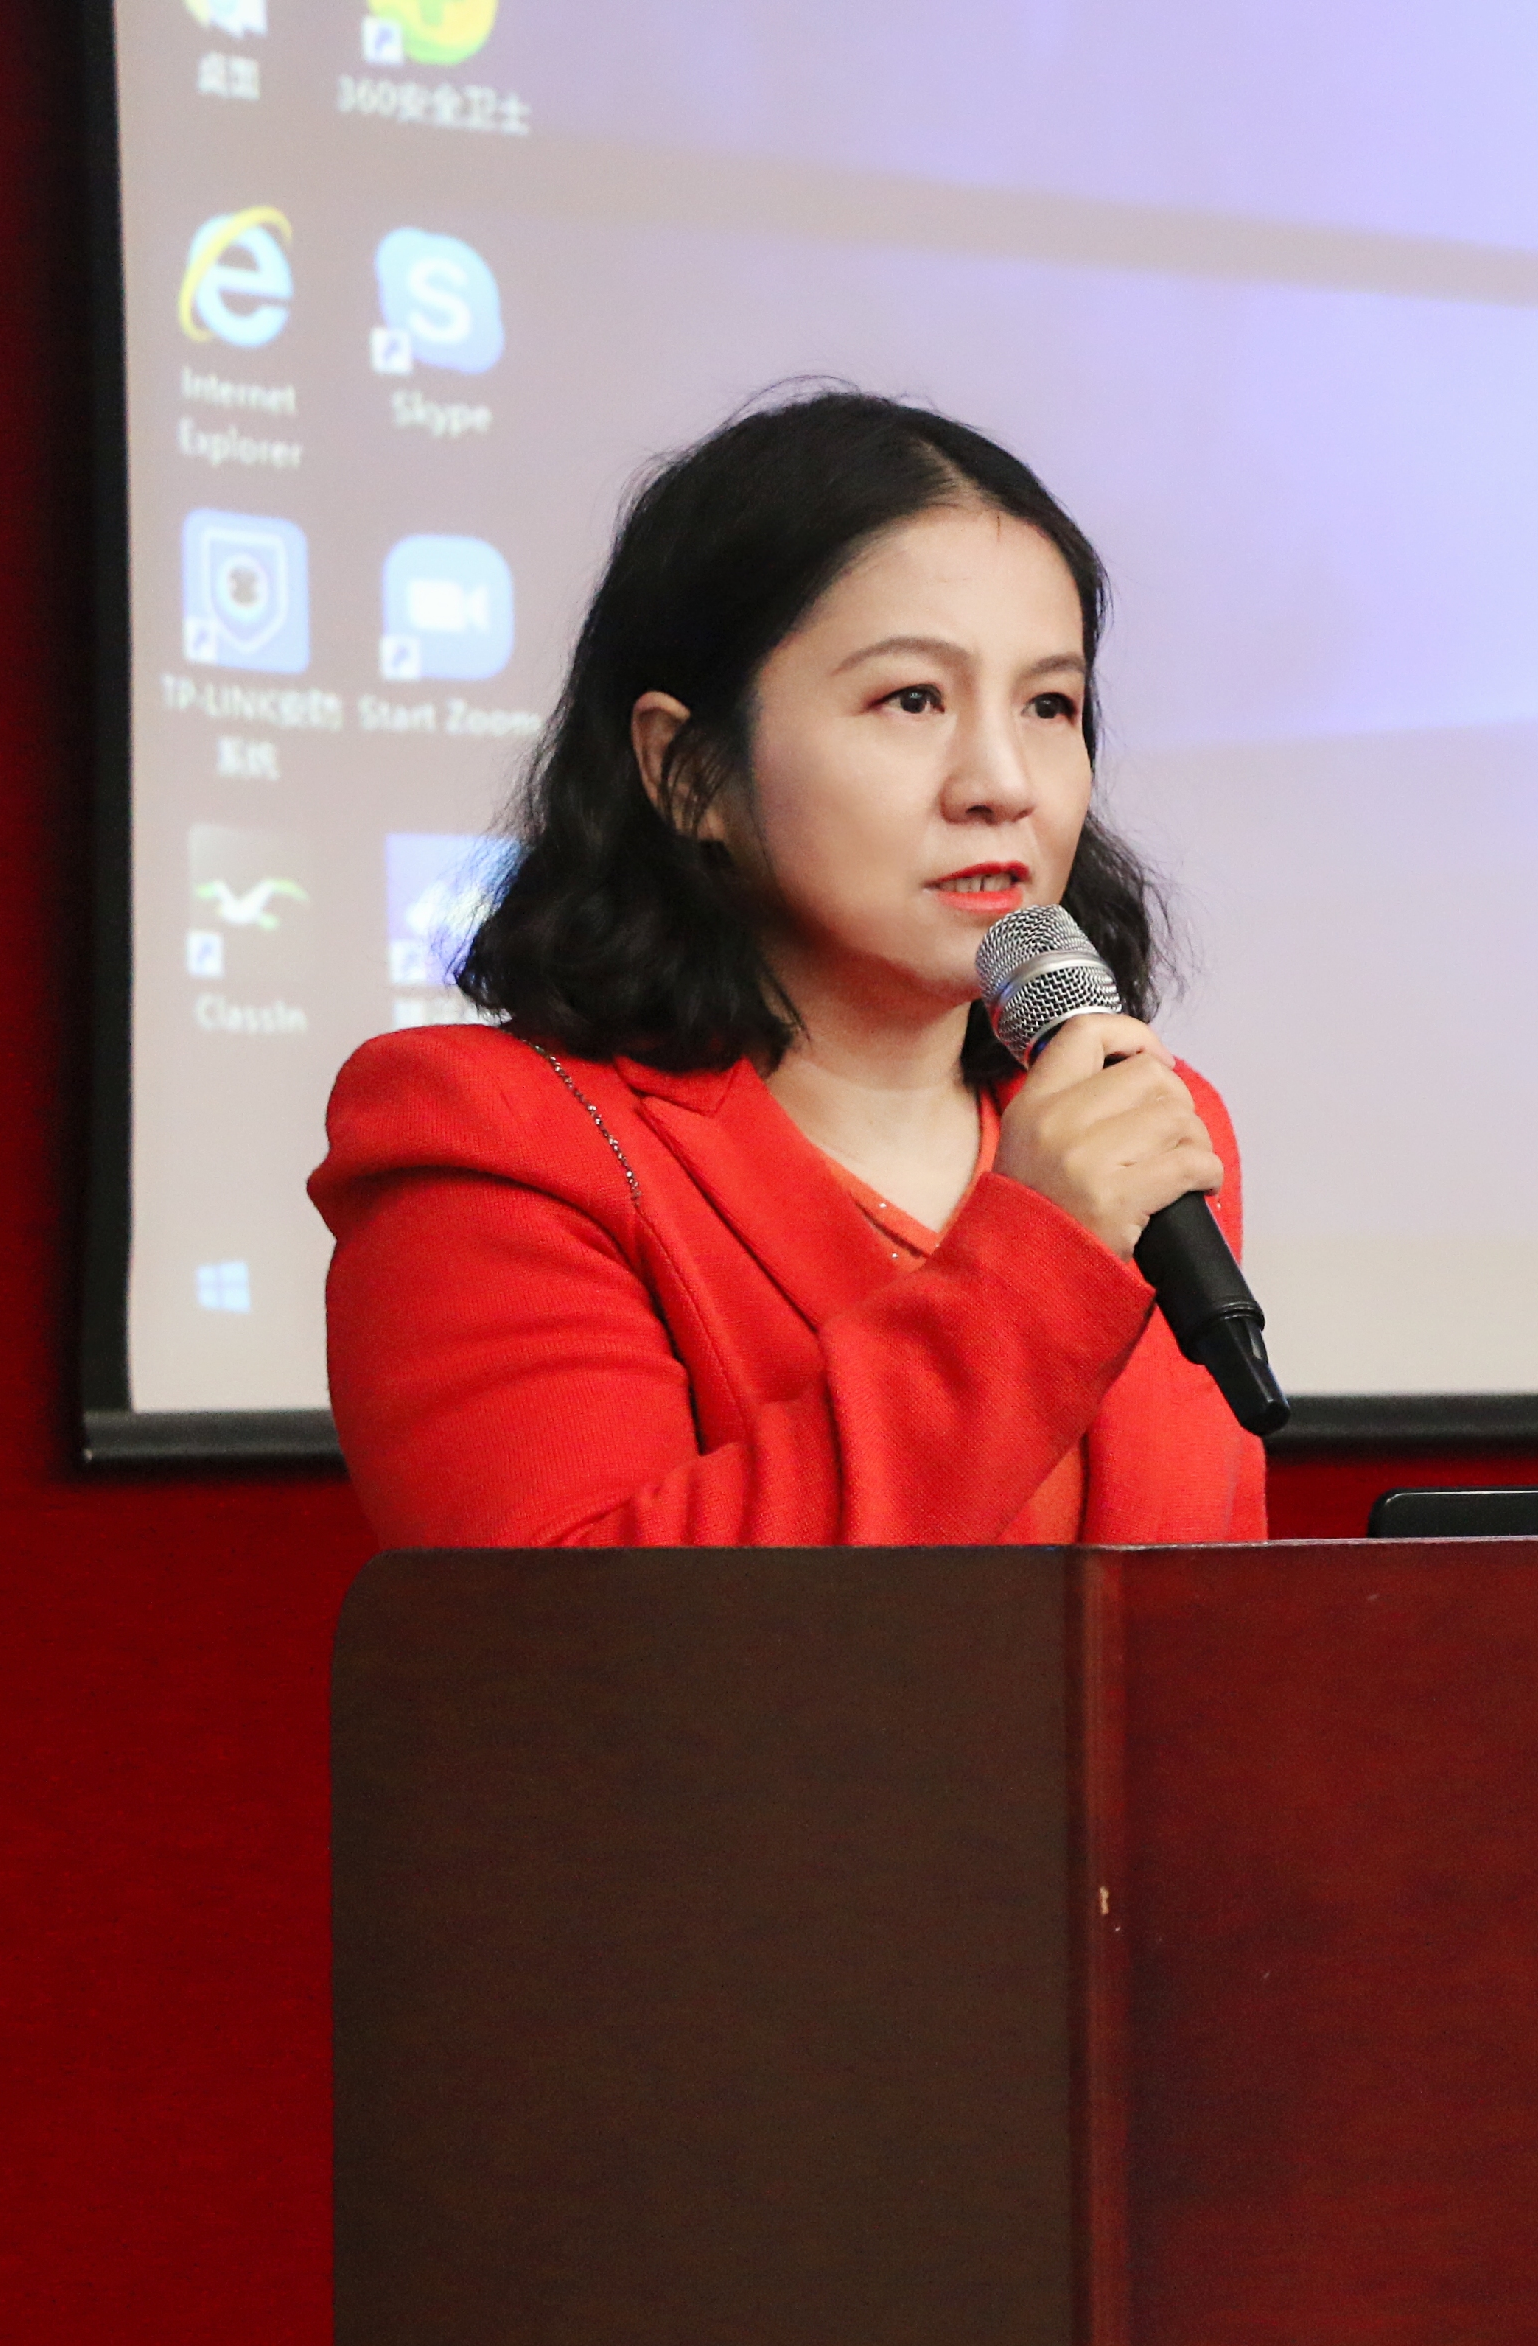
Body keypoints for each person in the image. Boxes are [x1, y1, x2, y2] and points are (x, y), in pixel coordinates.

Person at [310, 390, 1264, 1549]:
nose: (1003, 783)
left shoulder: (1144, 1126)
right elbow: (586, 1629)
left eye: (1049, 705)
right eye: (912, 699)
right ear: (689, 772)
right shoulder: (496, 1136)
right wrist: (1039, 1264)